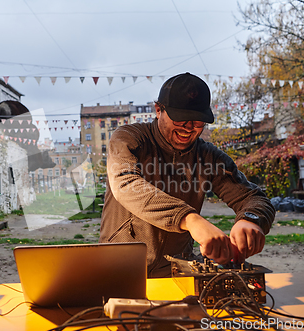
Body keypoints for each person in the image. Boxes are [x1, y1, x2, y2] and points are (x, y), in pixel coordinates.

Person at [99, 72, 275, 278]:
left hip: (176, 269)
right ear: (158, 110)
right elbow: (126, 184)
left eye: (198, 121)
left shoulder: (208, 157)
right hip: (120, 265)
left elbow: (253, 198)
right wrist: (190, 220)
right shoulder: (129, 138)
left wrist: (251, 219)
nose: (189, 128)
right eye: (181, 119)